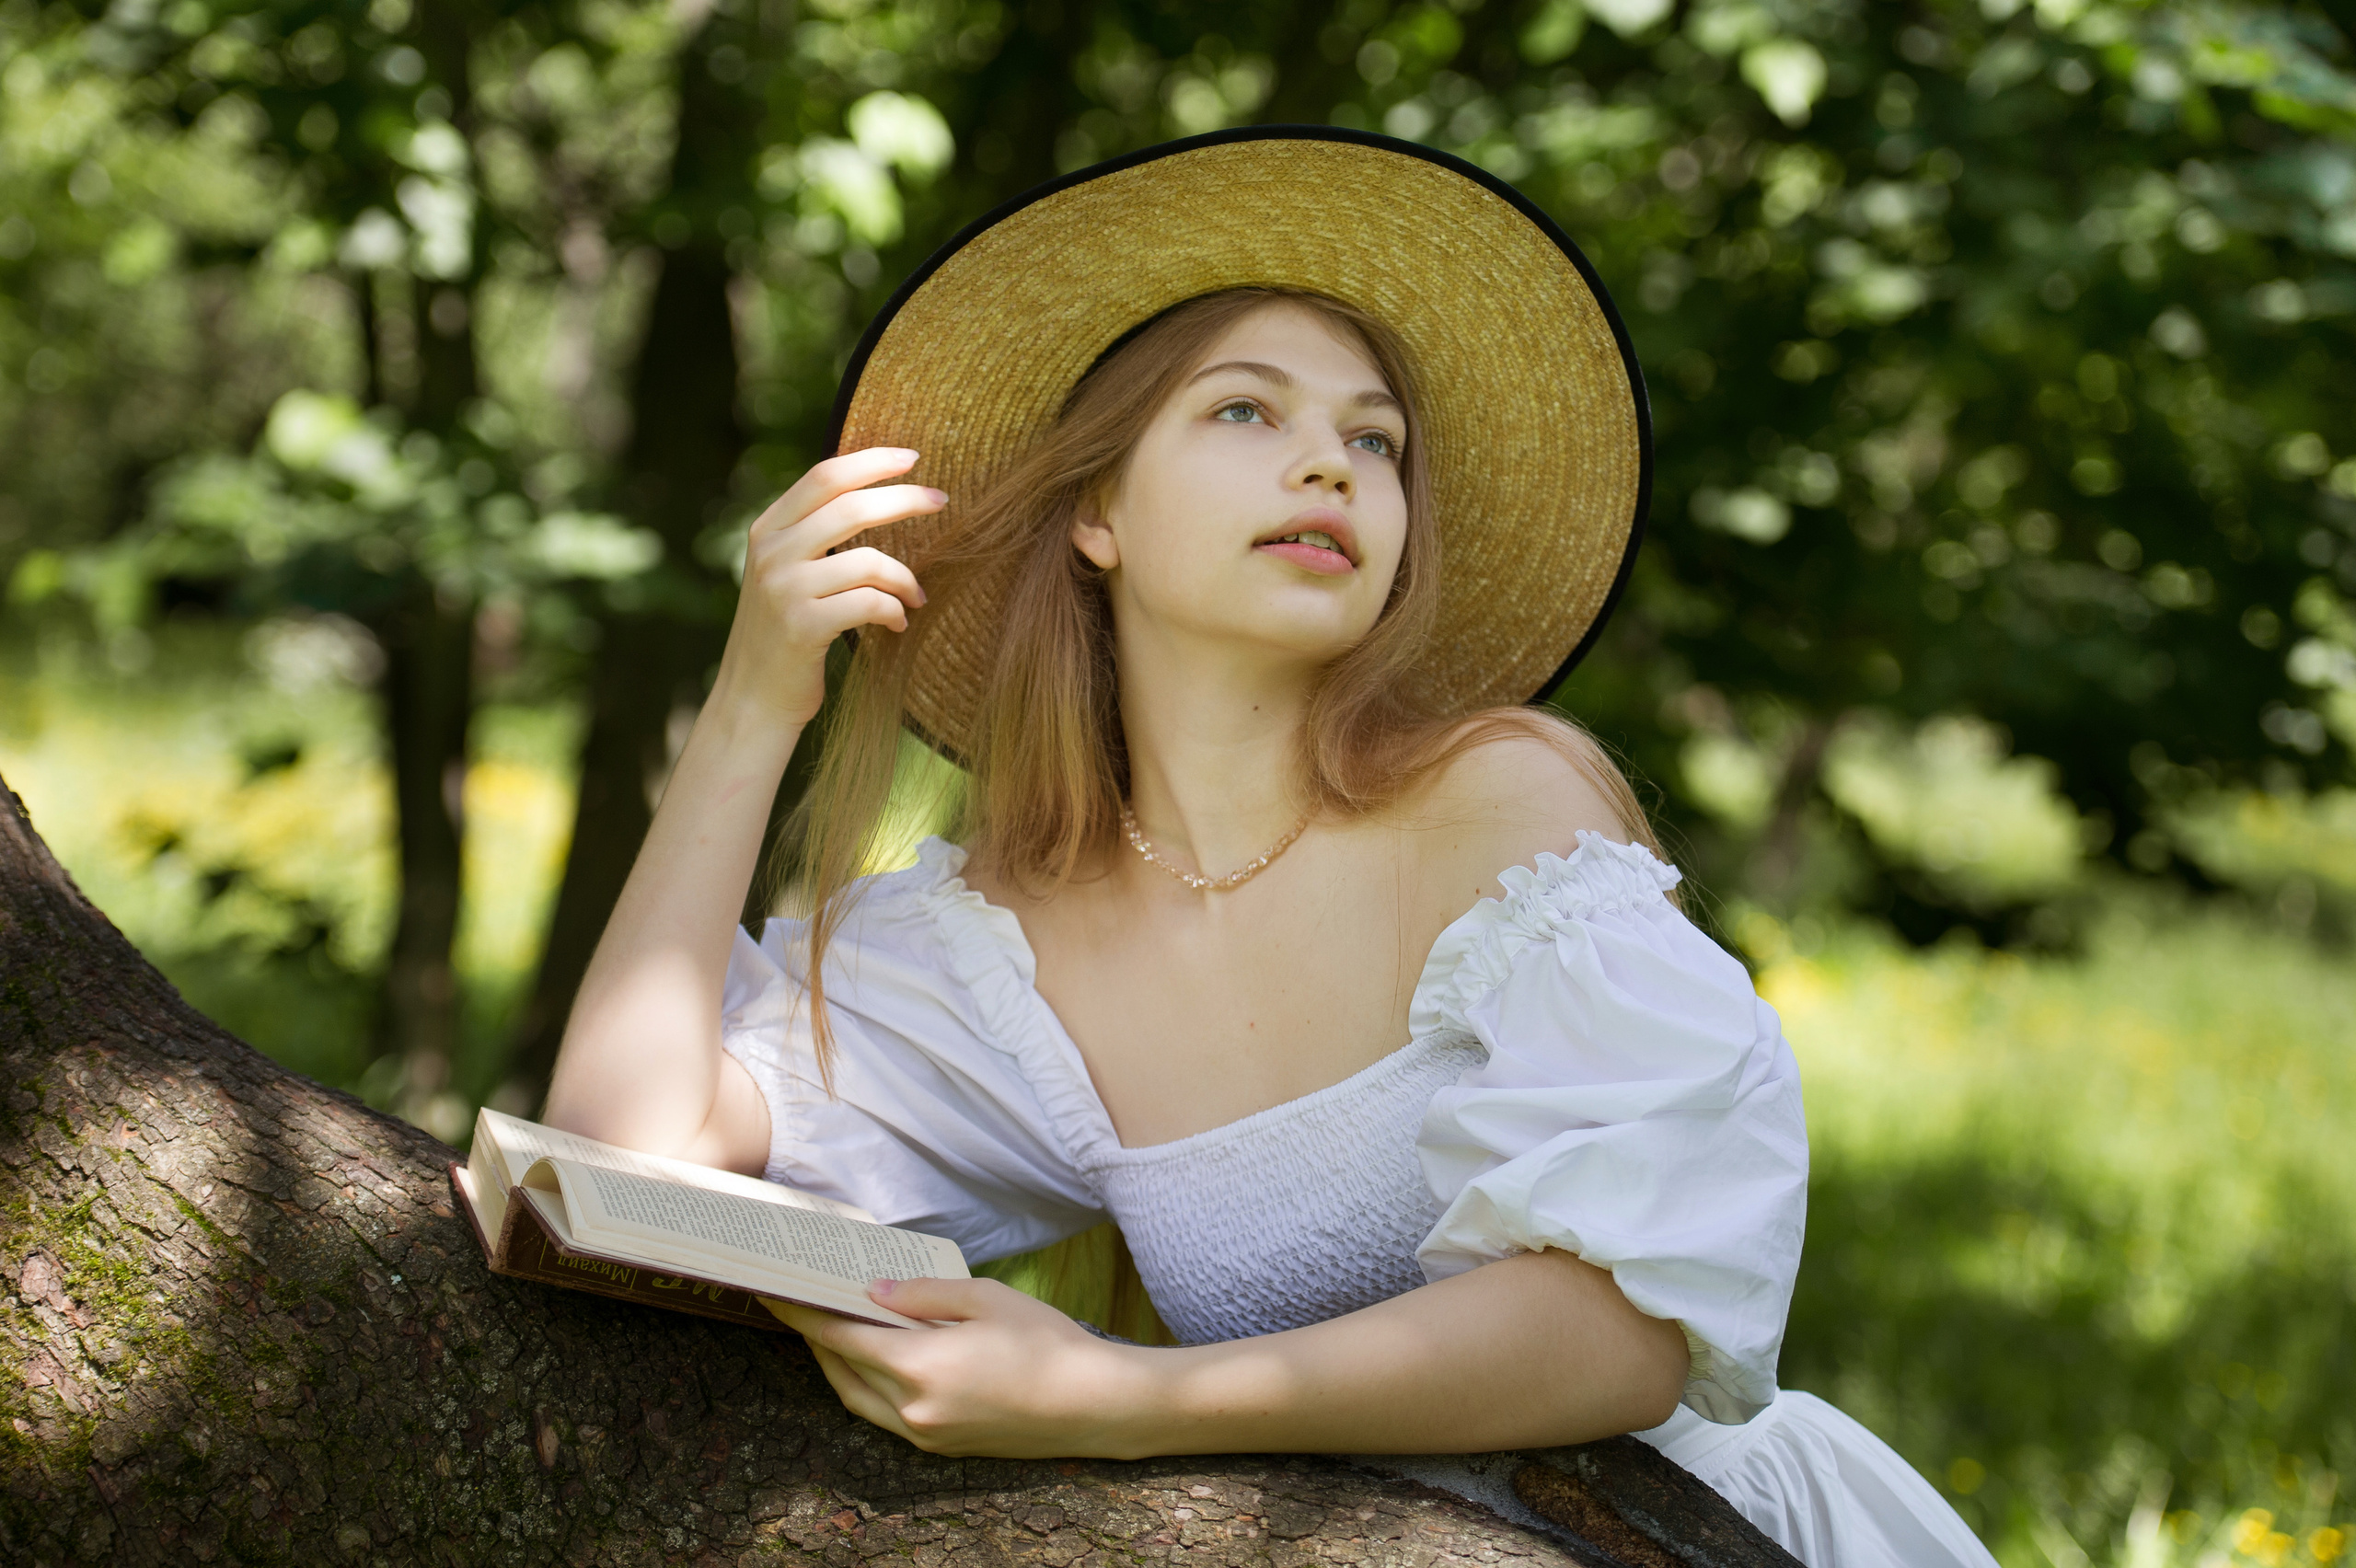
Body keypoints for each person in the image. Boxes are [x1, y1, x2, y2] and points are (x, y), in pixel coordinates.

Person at [542, 129, 1997, 1568]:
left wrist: (1119, 1398)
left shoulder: (1502, 807)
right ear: (1096, 512)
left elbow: (1624, 1330)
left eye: (1375, 439)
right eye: (1248, 413)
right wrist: (751, 705)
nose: (1331, 466)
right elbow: (625, 1163)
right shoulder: (1005, 941)